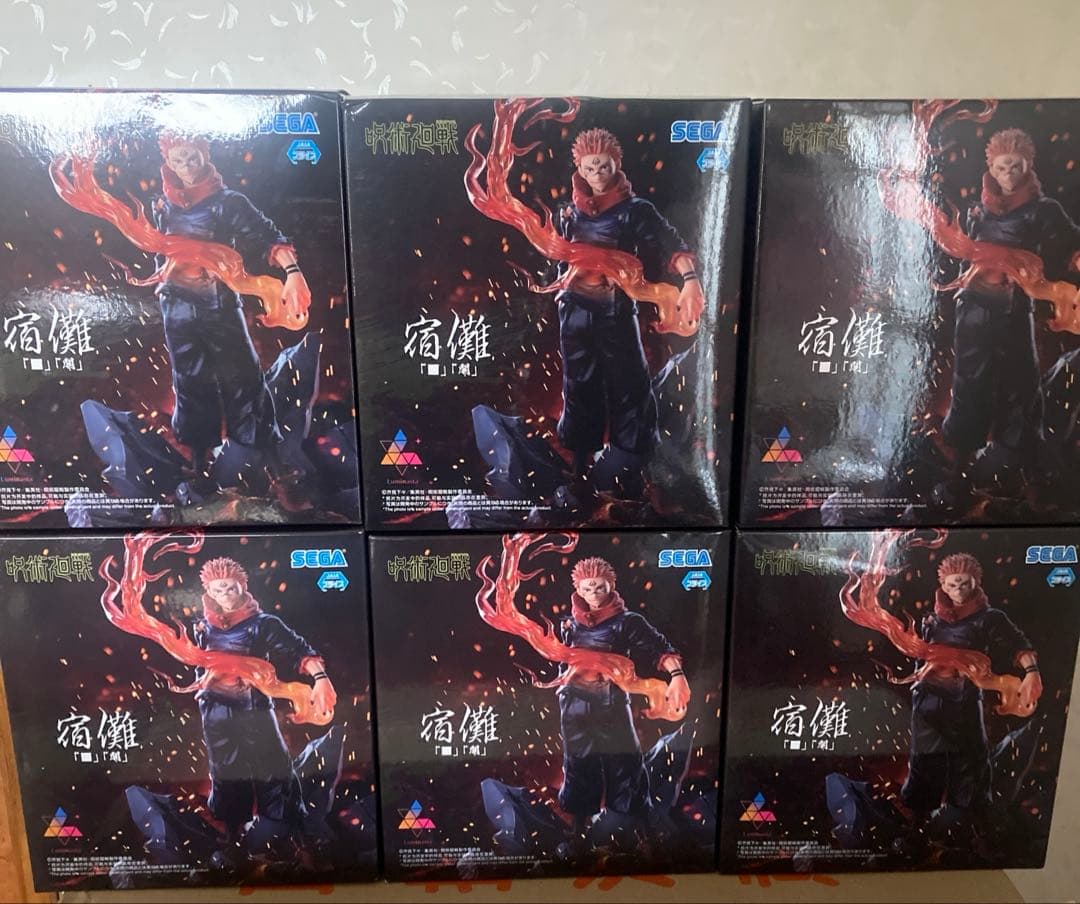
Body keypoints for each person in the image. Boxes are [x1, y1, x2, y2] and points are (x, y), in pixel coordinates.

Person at [153, 133, 312, 497]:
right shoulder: (162, 204)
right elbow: (159, 249)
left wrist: (292, 272)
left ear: (204, 155)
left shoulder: (229, 203)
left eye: (192, 157)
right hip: (176, 307)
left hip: (221, 304)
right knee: (190, 382)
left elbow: (269, 236)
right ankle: (199, 465)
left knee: (245, 378)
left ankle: (275, 464)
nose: (186, 166)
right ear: (169, 162)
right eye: (178, 160)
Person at [554, 128, 704, 501]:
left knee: (631, 387)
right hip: (574, 311)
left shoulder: (636, 210)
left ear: (616, 164)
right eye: (590, 167)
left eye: (604, 166)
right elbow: (560, 256)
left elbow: (670, 243)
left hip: (616, 311)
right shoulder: (569, 211)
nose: (598, 174)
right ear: (580, 168)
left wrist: (689, 280)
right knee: (578, 386)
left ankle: (631, 469)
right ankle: (580, 467)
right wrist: (559, 290)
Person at [938, 128, 1080, 505]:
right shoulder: (978, 209)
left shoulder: (1043, 209)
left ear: (1028, 165)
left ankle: (1021, 470)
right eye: (1003, 167)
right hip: (974, 310)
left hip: (1016, 309)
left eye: (1016, 166)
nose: (1009, 174)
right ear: (992, 167)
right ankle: (959, 472)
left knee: (1022, 386)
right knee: (970, 387)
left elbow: (1072, 243)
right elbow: (964, 255)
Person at [192, 556, 336, 864]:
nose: (226, 594)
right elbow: (199, 663)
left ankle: (291, 836)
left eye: (231, 588)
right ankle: (234, 839)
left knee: (274, 770)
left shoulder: (263, 624)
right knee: (226, 773)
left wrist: (321, 678)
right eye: (219, 589)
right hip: (215, 710)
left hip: (255, 708)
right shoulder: (202, 626)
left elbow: (299, 650)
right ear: (209, 592)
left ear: (242, 587)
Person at [899, 552, 1041, 853]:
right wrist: (918, 682)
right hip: (928, 701)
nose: (959, 590)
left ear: (976, 582)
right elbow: (922, 656)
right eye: (953, 585)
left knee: (973, 762)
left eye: (964, 583)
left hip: (964, 701)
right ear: (943, 585)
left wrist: (1032, 672)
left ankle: (976, 828)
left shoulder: (990, 618)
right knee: (925, 761)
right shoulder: (932, 618)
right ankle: (918, 829)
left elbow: (1018, 644)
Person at [556, 556, 689, 845]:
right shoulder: (569, 623)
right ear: (578, 589)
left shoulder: (627, 622)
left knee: (626, 762)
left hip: (612, 702)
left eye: (600, 587)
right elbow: (562, 659)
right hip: (573, 703)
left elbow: (659, 648)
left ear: (611, 585)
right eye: (587, 588)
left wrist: (677, 675)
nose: (594, 594)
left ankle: (640, 827)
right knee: (578, 762)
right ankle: (579, 828)